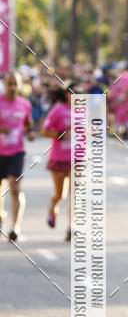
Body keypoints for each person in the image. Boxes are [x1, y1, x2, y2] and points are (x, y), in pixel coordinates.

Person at [0, 71, 35, 242]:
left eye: (15, 84)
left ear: (20, 85)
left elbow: (28, 124)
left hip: (16, 152)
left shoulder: (25, 104)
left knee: (15, 188)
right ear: (4, 85)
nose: (12, 87)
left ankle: (15, 227)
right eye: (9, 84)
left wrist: (30, 133)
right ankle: (1, 215)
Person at [41, 85, 73, 241]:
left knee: (75, 194)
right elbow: (44, 130)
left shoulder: (83, 111)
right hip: (59, 158)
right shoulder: (58, 110)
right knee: (60, 194)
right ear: (67, 94)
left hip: (77, 158)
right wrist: (61, 134)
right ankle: (53, 208)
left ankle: (72, 227)